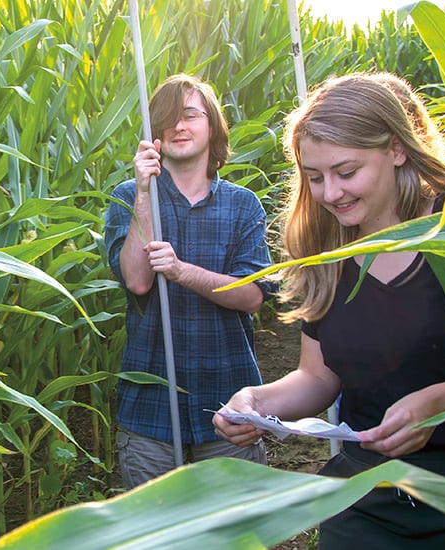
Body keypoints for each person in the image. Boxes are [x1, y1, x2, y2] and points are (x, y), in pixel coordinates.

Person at [212, 73, 445, 548]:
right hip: (368, 494)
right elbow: (317, 378)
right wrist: (257, 403)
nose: (330, 193)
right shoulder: (324, 247)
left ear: (397, 149)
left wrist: (436, 403)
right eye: (314, 177)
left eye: (346, 171)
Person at [102, 73, 275, 488]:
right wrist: (144, 191)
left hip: (229, 403)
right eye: (169, 118)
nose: (180, 126)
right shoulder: (128, 196)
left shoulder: (242, 205)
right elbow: (138, 282)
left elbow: (252, 296)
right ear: (156, 134)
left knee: (239, 535)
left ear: (211, 126)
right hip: (151, 412)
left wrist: (181, 271)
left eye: (191, 115)